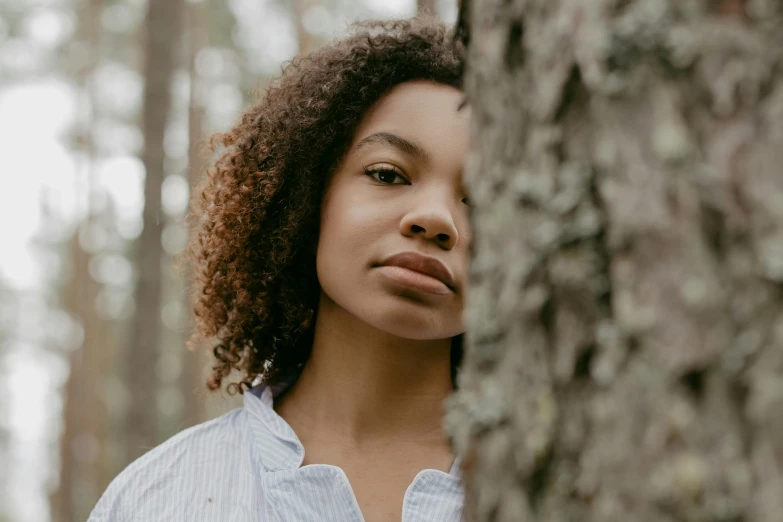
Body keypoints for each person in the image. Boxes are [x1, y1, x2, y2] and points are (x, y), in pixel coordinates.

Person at [88, 14, 471, 522]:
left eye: (485, 200)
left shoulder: (582, 490)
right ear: (308, 195)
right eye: (387, 174)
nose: (435, 219)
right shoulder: (153, 500)